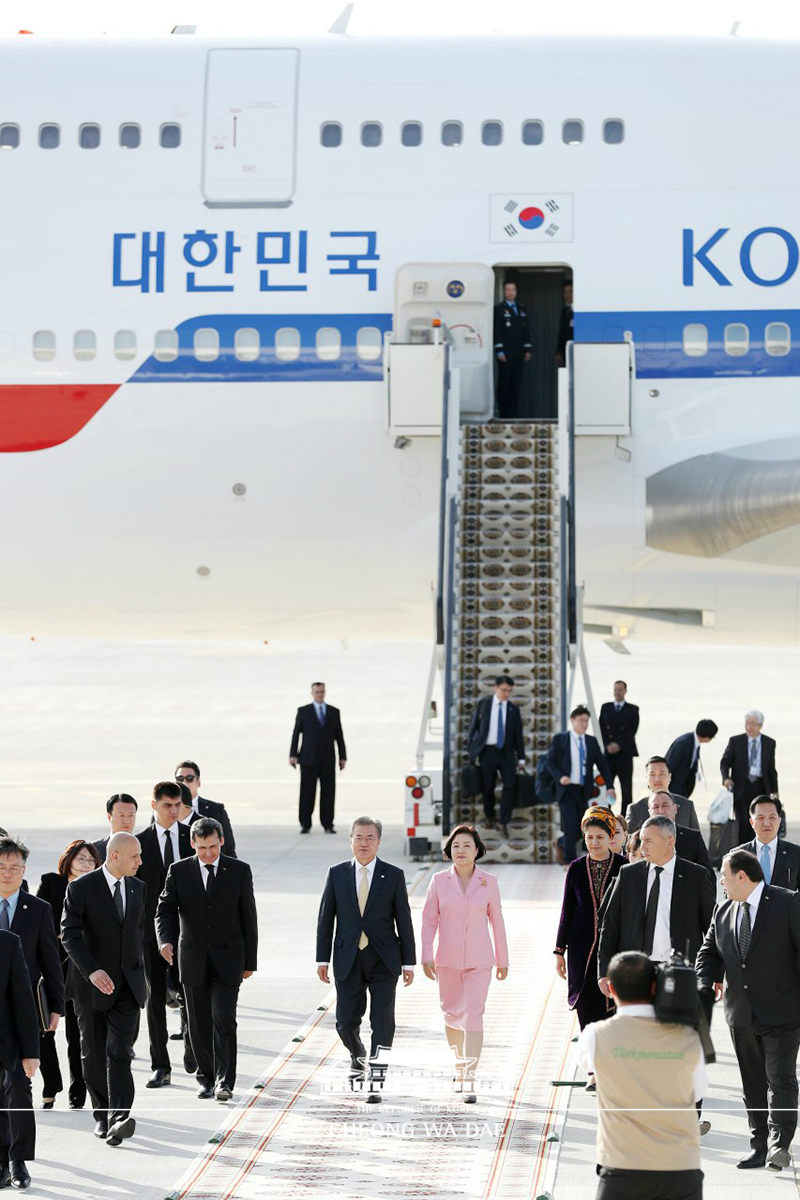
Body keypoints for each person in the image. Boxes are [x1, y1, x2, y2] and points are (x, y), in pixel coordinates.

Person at [696, 849, 800, 1171]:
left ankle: (779, 1144)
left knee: (779, 1078)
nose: (721, 883)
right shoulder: (723, 910)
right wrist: (703, 983)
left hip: (782, 1011)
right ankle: (758, 1146)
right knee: (752, 1083)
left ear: (742, 876)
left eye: (724, 876)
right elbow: (708, 952)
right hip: (740, 1013)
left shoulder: (787, 902)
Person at [578, 951, 704, 1200]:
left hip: (622, 1167)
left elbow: (585, 1064)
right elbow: (698, 1092)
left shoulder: (595, 1035)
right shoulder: (688, 1036)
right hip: (680, 1168)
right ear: (655, 986)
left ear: (611, 988)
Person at [156, 817, 257, 1103]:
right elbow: (164, 909)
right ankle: (207, 1078)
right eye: (202, 848)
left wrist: (251, 960)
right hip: (192, 958)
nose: (209, 853)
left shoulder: (238, 871)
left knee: (223, 1019)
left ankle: (226, 1081)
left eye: (213, 846)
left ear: (222, 841)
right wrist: (164, 940)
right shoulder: (178, 871)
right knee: (198, 1022)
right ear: (192, 844)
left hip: (229, 958)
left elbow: (249, 917)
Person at [316, 816, 415, 1103]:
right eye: (359, 837)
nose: (364, 843)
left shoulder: (392, 875)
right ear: (351, 840)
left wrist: (409, 962)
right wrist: (322, 958)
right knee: (345, 1022)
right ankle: (357, 1054)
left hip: (384, 959)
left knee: (382, 1023)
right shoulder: (336, 874)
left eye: (370, 837)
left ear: (379, 841)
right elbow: (326, 919)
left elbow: (404, 920)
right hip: (348, 958)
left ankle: (376, 1079)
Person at [61, 832, 146, 1146]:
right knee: (94, 1053)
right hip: (91, 987)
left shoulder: (139, 888)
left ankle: (119, 1116)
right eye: (135, 856)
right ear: (115, 856)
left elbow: (137, 935)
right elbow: (69, 934)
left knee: (119, 1051)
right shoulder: (81, 888)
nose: (140, 862)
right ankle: (102, 1115)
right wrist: (92, 970)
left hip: (128, 985)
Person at [421, 825, 508, 1102]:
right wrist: (425, 955)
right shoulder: (438, 881)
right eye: (456, 845)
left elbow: (497, 922)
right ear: (449, 850)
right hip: (446, 960)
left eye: (467, 845)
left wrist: (502, 959)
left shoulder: (489, 882)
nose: (461, 850)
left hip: (480, 961)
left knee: (473, 1015)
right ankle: (458, 1068)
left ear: (477, 850)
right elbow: (428, 920)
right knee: (451, 1015)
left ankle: (469, 1078)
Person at [0, 836, 63, 1192]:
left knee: (19, 1085)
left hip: (22, 1012)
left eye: (14, 868)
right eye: (2, 867)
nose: (8, 873)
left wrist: (55, 1006)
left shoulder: (37, 909)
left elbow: (51, 961)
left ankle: (18, 1159)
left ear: (24, 871)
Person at [597, 815, 716, 992]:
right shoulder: (628, 874)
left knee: (675, 1021)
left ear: (670, 842)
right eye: (641, 840)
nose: (642, 846)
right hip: (635, 970)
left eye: (648, 841)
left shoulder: (696, 876)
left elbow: (712, 929)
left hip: (680, 970)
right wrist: (604, 971)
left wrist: (715, 974)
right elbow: (610, 925)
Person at [37, 840, 101, 1113]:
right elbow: (39, 920)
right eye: (82, 859)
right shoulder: (52, 883)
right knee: (44, 1030)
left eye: (91, 860)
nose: (86, 864)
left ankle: (79, 1089)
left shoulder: (97, 889)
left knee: (77, 1035)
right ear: (69, 859)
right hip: (50, 966)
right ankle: (51, 1085)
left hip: (79, 969)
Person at [136, 782, 193, 1087]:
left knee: (190, 994)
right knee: (155, 1000)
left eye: (177, 805)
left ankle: (192, 1047)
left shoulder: (191, 838)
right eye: (167, 805)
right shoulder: (140, 842)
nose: (173, 811)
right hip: (150, 935)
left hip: (189, 933)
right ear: (154, 805)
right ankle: (161, 1065)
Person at [554, 808, 626, 1048]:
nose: (594, 843)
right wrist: (559, 951)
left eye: (600, 837)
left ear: (610, 838)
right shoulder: (575, 868)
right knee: (585, 1007)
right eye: (590, 837)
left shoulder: (624, 867)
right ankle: (593, 1069)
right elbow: (567, 911)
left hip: (614, 948)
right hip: (580, 949)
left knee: (612, 1005)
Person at [545, 706, 616, 865]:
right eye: (581, 720)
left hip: (583, 790)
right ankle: (570, 862)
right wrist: (560, 777)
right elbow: (549, 762)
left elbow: (602, 764)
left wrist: (610, 786)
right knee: (570, 826)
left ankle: (561, 843)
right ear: (572, 720)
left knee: (582, 827)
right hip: (566, 789)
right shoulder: (561, 739)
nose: (584, 724)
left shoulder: (591, 741)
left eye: (586, 721)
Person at [0, 929, 40, 1191]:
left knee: (18, 1090)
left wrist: (31, 1052)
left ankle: (18, 1160)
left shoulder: (8, 942)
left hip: (8, 1039)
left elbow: (24, 999)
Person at [466, 674, 526, 840]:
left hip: (506, 753)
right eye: (504, 690)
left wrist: (521, 758)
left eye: (509, 691)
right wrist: (472, 750)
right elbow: (474, 728)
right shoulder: (484, 704)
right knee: (488, 787)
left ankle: (504, 821)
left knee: (510, 786)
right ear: (496, 688)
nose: (506, 694)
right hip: (488, 751)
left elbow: (518, 736)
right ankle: (490, 816)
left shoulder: (514, 709)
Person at [289, 683, 347, 835]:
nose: (319, 694)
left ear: (325, 692)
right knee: (307, 792)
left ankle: (328, 823)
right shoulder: (304, 711)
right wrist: (293, 754)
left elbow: (339, 736)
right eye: (317, 692)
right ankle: (305, 823)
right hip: (308, 759)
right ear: (312, 693)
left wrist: (343, 757)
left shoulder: (334, 712)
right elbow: (296, 734)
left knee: (328, 792)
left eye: (322, 691)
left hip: (328, 759)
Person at [720, 711, 779, 846]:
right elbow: (725, 762)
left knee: (759, 821)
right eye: (747, 723)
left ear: (760, 725)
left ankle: (758, 850)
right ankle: (743, 852)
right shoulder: (735, 741)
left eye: (753, 724)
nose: (749, 727)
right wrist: (726, 778)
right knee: (742, 823)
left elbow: (771, 768)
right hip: (742, 787)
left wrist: (775, 789)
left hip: (760, 786)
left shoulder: (769, 743)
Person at [735, 794, 799, 889]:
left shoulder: (795, 853)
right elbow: (730, 895)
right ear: (752, 822)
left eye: (772, 817)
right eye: (760, 818)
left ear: (779, 820)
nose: (766, 823)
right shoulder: (738, 855)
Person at [174, 762, 237, 858]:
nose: (184, 782)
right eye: (180, 779)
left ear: (198, 782)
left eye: (190, 778)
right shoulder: (164, 810)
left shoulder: (216, 810)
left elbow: (228, 848)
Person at [626, 757, 701, 834]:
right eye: (652, 774)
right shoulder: (635, 810)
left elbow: (697, 839)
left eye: (662, 774)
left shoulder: (686, 806)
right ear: (647, 778)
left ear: (670, 777)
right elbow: (628, 842)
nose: (657, 779)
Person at [599, 681, 640, 816]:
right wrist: (607, 745)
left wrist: (619, 745)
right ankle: (606, 813)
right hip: (608, 755)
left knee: (626, 788)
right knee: (607, 785)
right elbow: (602, 729)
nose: (617, 692)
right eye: (615, 689)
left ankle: (626, 816)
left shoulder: (633, 710)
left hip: (624, 755)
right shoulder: (606, 708)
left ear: (625, 691)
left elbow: (631, 731)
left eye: (620, 690)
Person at [648, 792, 713, 876]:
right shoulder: (640, 839)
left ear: (675, 808)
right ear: (649, 811)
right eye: (655, 807)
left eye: (665, 805)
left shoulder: (692, 838)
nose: (661, 811)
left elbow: (708, 874)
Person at [493, 280, 532, 419]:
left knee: (516, 383)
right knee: (505, 383)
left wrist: (528, 349)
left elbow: (527, 330)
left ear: (516, 291)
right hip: (506, 352)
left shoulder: (521, 308)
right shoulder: (499, 309)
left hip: (519, 352)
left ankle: (513, 414)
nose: (510, 292)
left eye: (513, 290)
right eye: (508, 290)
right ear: (504, 292)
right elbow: (497, 330)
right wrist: (499, 350)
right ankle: (504, 414)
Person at [665, 720, 719, 800]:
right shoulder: (683, 743)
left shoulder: (694, 742)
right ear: (707, 737)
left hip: (682, 789)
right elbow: (670, 766)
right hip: (674, 788)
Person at [94, 794, 138, 865]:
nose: (126, 821)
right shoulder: (95, 849)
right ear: (109, 817)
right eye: (121, 815)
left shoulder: (145, 846)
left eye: (131, 815)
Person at [554, 279, 574, 370]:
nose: (568, 295)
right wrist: (558, 352)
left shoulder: (579, 311)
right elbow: (561, 333)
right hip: (566, 351)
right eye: (565, 292)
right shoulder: (564, 311)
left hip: (576, 350)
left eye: (570, 291)